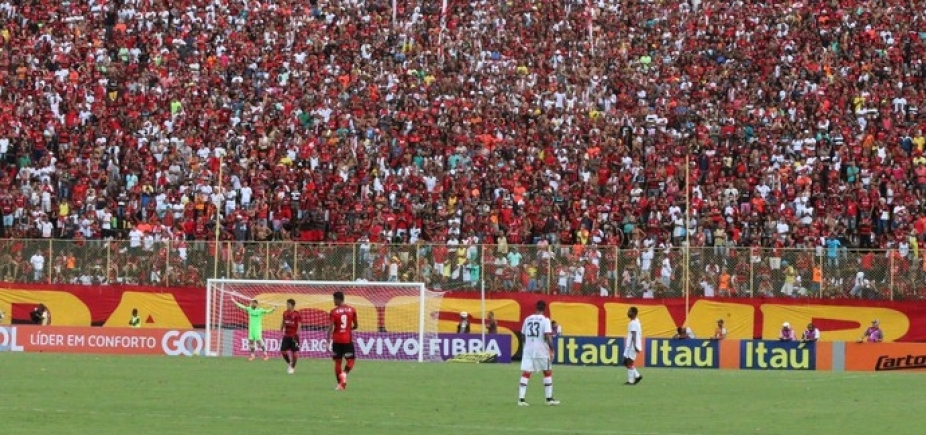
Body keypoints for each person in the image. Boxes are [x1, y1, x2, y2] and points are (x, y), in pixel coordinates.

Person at [518, 300, 559, 406]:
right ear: (544, 309)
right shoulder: (545, 320)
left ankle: (521, 399)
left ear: (536, 307)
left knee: (526, 372)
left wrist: (527, 345)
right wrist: (552, 349)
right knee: (547, 371)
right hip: (541, 349)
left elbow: (522, 335)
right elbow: (547, 336)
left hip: (528, 349)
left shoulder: (527, 319)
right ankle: (549, 399)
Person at [329, 291, 358, 390]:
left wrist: (327, 340)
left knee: (337, 362)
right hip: (347, 340)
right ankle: (344, 374)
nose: (333, 301)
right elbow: (356, 325)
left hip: (336, 340)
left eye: (334, 299)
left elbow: (330, 327)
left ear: (338, 299)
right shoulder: (352, 310)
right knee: (351, 360)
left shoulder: (333, 312)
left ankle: (340, 384)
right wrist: (349, 329)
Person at [280, 299, 301, 374]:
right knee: (283, 351)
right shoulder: (285, 313)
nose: (287, 306)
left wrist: (297, 334)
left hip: (294, 336)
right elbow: (283, 322)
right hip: (286, 335)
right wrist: (281, 329)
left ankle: (292, 367)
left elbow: (299, 325)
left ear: (292, 305)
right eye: (286, 304)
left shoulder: (297, 314)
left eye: (288, 304)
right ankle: (289, 363)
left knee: (295, 354)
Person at [623, 307, 643, 385]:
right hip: (629, 346)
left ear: (634, 313)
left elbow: (634, 335)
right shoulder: (636, 321)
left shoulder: (633, 323)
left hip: (632, 346)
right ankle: (637, 376)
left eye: (629, 312)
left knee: (629, 363)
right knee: (625, 362)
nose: (628, 313)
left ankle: (631, 381)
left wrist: (635, 346)